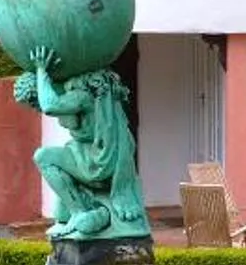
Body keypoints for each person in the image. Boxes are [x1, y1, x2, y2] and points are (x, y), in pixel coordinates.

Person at [15, 50, 151, 240]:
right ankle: (88, 213)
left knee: (43, 157)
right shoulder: (94, 97)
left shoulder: (82, 96)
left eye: (33, 100)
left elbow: (50, 105)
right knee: (61, 203)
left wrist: (41, 70)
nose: (35, 106)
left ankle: (81, 211)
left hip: (97, 163)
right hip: (94, 156)